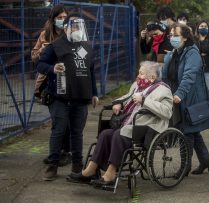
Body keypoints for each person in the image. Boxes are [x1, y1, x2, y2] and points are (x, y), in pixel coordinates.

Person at [68, 61, 173, 186]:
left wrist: (144, 100)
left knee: (119, 134)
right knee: (105, 134)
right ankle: (90, 170)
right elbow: (127, 97)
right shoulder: (137, 85)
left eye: (142, 73)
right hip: (129, 124)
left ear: (152, 77)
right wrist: (118, 103)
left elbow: (167, 112)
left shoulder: (163, 90)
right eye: (139, 73)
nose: (138, 76)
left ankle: (111, 173)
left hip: (148, 127)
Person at [37, 13, 99, 181]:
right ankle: (53, 165)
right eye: (74, 26)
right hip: (59, 97)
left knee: (77, 132)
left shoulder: (86, 47)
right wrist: (52, 69)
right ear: (65, 28)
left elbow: (91, 71)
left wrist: (94, 93)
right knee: (59, 129)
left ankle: (77, 166)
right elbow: (40, 64)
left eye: (80, 26)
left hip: (80, 96)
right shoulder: (55, 46)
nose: (77, 29)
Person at [163, 23, 209, 175]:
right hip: (176, 96)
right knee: (193, 131)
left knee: (187, 131)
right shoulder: (174, 52)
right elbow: (166, 75)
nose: (172, 38)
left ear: (185, 37)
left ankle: (185, 166)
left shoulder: (192, 53)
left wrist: (179, 94)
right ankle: (205, 161)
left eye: (176, 35)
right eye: (171, 35)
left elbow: (189, 76)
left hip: (188, 97)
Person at [31, 4, 72, 167]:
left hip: (69, 81)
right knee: (58, 119)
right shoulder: (45, 34)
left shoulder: (72, 33)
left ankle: (64, 151)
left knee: (66, 120)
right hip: (49, 81)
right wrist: (42, 50)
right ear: (53, 19)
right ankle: (57, 153)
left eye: (64, 17)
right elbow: (34, 59)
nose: (62, 21)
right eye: (59, 18)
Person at [195, 20, 209, 92]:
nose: (203, 28)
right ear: (198, 28)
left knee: (207, 91)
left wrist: (204, 52)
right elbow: (195, 51)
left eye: (205, 26)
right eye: (201, 26)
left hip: (208, 70)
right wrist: (205, 53)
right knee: (198, 92)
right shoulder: (194, 40)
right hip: (196, 70)